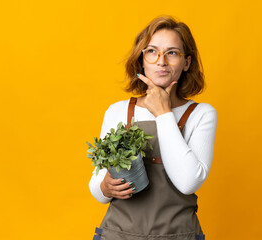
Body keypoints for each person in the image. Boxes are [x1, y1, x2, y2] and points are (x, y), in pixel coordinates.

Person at [89, 15, 217, 240]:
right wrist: (105, 188)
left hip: (178, 235)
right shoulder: (117, 111)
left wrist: (163, 112)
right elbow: (97, 187)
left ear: (186, 62)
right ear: (141, 60)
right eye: (152, 51)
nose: (161, 61)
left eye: (172, 53)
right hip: (117, 234)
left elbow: (188, 183)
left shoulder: (201, 114)